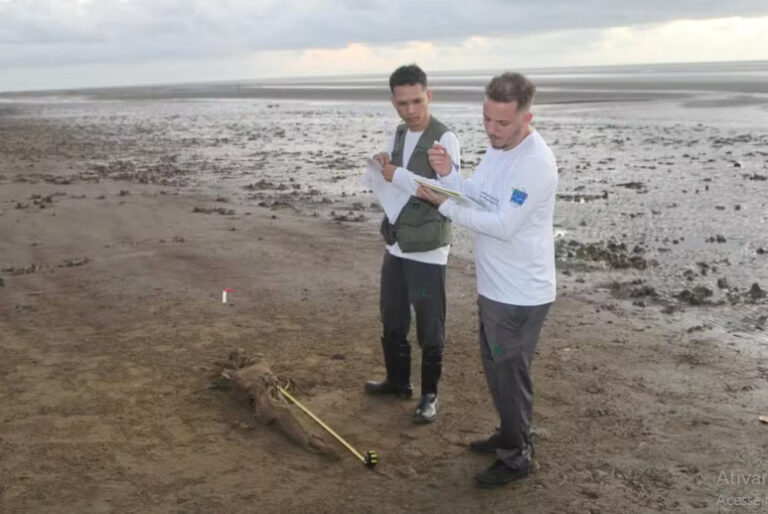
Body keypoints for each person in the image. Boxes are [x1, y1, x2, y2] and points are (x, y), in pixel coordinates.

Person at [417, 72, 557, 487]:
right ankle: (510, 433)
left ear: (526, 117)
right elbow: (479, 194)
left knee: (510, 373)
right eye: (487, 121)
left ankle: (517, 455)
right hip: (494, 287)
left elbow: (502, 225)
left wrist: (444, 206)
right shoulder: (499, 149)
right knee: (496, 368)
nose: (492, 132)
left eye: (502, 124)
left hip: (520, 293)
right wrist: (448, 176)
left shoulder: (535, 164)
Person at [365, 64, 461, 424]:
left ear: (429, 96)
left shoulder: (445, 138)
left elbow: (447, 192)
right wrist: (383, 162)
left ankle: (429, 397)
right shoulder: (400, 131)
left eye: (417, 101)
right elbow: (393, 178)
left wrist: (398, 175)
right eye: (403, 103)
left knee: (429, 326)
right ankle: (397, 382)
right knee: (392, 316)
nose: (411, 110)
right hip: (397, 242)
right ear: (394, 103)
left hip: (429, 248)